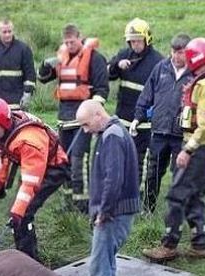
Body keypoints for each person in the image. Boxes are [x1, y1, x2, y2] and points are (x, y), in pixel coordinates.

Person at [142, 38, 205, 261]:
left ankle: (169, 245)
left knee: (176, 194)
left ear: (194, 57)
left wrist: (188, 149)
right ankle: (199, 245)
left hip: (203, 147)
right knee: (194, 193)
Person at [75, 100, 140, 276]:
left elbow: (113, 179)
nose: (85, 130)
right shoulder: (113, 132)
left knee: (99, 267)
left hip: (114, 213)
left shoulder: (112, 136)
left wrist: (104, 211)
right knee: (108, 263)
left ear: (97, 115)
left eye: (85, 124)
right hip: (119, 210)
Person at [0, 97, 70, 261]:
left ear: (3, 122)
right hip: (34, 165)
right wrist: (0, 184)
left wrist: (18, 212)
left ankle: (30, 262)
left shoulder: (29, 141)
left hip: (54, 169)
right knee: (17, 213)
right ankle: (22, 255)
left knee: (24, 213)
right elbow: (4, 157)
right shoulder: (4, 132)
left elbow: (30, 183)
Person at [38, 24, 109, 214]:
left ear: (80, 38)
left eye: (72, 42)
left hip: (82, 123)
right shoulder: (61, 58)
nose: (69, 45)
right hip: (64, 119)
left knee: (79, 162)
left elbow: (103, 90)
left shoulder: (95, 58)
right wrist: (46, 65)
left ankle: (84, 206)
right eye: (66, 42)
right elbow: (43, 78)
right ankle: (68, 203)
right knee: (64, 161)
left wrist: (92, 111)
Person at [133, 33, 193, 213]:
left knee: (180, 174)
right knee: (152, 173)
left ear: (189, 53)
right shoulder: (161, 68)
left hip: (182, 134)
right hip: (159, 131)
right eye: (173, 52)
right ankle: (147, 210)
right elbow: (146, 94)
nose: (176, 56)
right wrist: (138, 117)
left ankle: (177, 213)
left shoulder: (196, 73)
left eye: (181, 52)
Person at [107, 18, 163, 193]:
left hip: (144, 123)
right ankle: (120, 192)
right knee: (120, 158)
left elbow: (161, 94)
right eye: (132, 41)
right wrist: (117, 65)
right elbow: (107, 74)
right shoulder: (124, 54)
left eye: (138, 41)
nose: (135, 45)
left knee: (141, 162)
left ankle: (138, 198)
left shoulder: (158, 62)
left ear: (147, 39)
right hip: (122, 118)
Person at [0, 19, 37, 111]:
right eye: (4, 32)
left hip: (18, 103)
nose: (7, 34)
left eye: (10, 31)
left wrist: (27, 95)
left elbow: (30, 75)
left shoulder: (24, 49)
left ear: (13, 31)